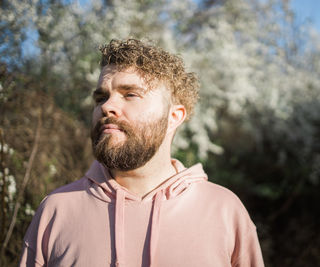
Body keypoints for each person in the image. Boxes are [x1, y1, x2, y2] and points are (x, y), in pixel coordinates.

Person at [19, 38, 264, 267]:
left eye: (130, 95)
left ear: (174, 117)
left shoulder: (224, 211)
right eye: (101, 97)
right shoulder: (57, 209)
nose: (107, 106)